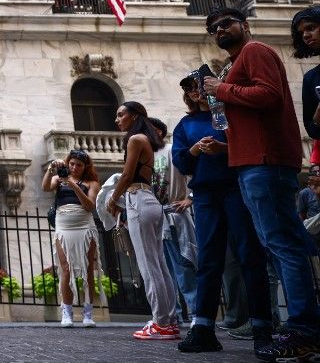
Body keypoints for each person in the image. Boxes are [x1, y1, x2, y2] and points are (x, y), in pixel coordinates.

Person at [202, 7, 320, 360]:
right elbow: (251, 122)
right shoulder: (241, 62)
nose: (220, 30)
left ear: (245, 25)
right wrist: (225, 147)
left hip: (266, 165)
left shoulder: (255, 52)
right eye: (213, 28)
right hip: (253, 162)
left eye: (226, 23)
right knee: (285, 242)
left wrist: (221, 88)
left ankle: (304, 328)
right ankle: (304, 324)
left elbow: (269, 96)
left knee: (282, 244)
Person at [171, 73, 273, 355]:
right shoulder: (186, 124)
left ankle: (263, 327)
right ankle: (203, 327)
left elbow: (251, 146)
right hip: (204, 195)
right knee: (209, 259)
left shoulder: (229, 117)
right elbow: (180, 161)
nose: (194, 92)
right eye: (189, 89)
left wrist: (222, 148)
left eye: (198, 86)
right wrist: (194, 149)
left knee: (250, 255)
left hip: (236, 189)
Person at [106, 101, 179, 341]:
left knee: (149, 266)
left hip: (138, 198)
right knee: (159, 264)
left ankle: (160, 323)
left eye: (120, 115)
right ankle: (169, 321)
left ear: (134, 115)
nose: (117, 120)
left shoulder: (135, 139)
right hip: (149, 200)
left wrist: (113, 199)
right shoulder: (146, 140)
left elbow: (127, 175)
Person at [41, 149, 101, 327]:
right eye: (72, 164)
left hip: (85, 226)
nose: (74, 168)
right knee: (65, 268)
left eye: (79, 165)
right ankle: (66, 312)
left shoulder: (92, 183)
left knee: (88, 268)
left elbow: (90, 205)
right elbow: (45, 188)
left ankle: (88, 314)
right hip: (63, 226)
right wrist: (50, 170)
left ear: (85, 167)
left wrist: (73, 185)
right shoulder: (58, 179)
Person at [147, 117, 197, 327]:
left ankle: (196, 313)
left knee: (183, 267)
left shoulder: (171, 150)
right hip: (154, 218)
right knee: (161, 269)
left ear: (158, 132)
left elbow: (194, 173)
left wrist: (190, 198)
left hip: (175, 216)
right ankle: (171, 315)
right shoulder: (144, 155)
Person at [292, 5, 320, 164]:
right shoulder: (311, 78)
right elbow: (312, 130)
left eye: (311, 28)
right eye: (301, 33)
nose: (306, 35)